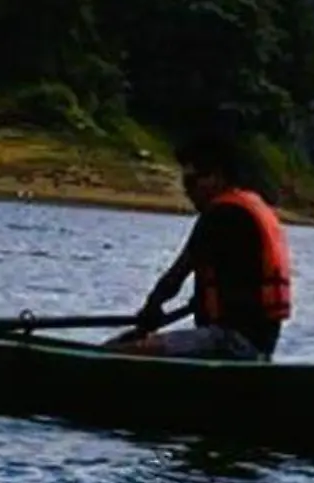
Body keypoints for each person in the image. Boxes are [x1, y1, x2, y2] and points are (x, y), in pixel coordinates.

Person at [109, 132, 293, 361]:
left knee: (122, 352)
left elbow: (177, 275)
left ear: (216, 177)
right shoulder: (251, 207)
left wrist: (151, 309)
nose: (187, 191)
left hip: (228, 342)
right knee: (126, 344)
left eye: (191, 181)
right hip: (259, 348)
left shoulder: (221, 213)